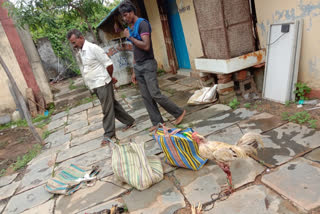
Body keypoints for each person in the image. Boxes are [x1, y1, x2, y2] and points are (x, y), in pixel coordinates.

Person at [119, 0, 186, 132]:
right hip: (138, 66)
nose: (124, 18)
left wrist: (130, 37)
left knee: (155, 93)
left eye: (126, 15)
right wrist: (133, 71)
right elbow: (135, 50)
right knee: (146, 96)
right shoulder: (131, 28)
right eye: (123, 16)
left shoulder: (142, 24)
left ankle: (178, 112)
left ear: (132, 12)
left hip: (148, 64)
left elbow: (146, 46)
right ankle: (157, 123)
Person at [67, 29, 135, 145]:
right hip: (96, 85)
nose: (73, 45)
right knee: (112, 104)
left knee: (107, 109)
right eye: (72, 43)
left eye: (74, 42)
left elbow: (109, 64)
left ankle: (109, 134)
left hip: (102, 83)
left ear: (81, 37)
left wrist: (109, 77)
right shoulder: (82, 51)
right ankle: (129, 121)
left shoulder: (93, 48)